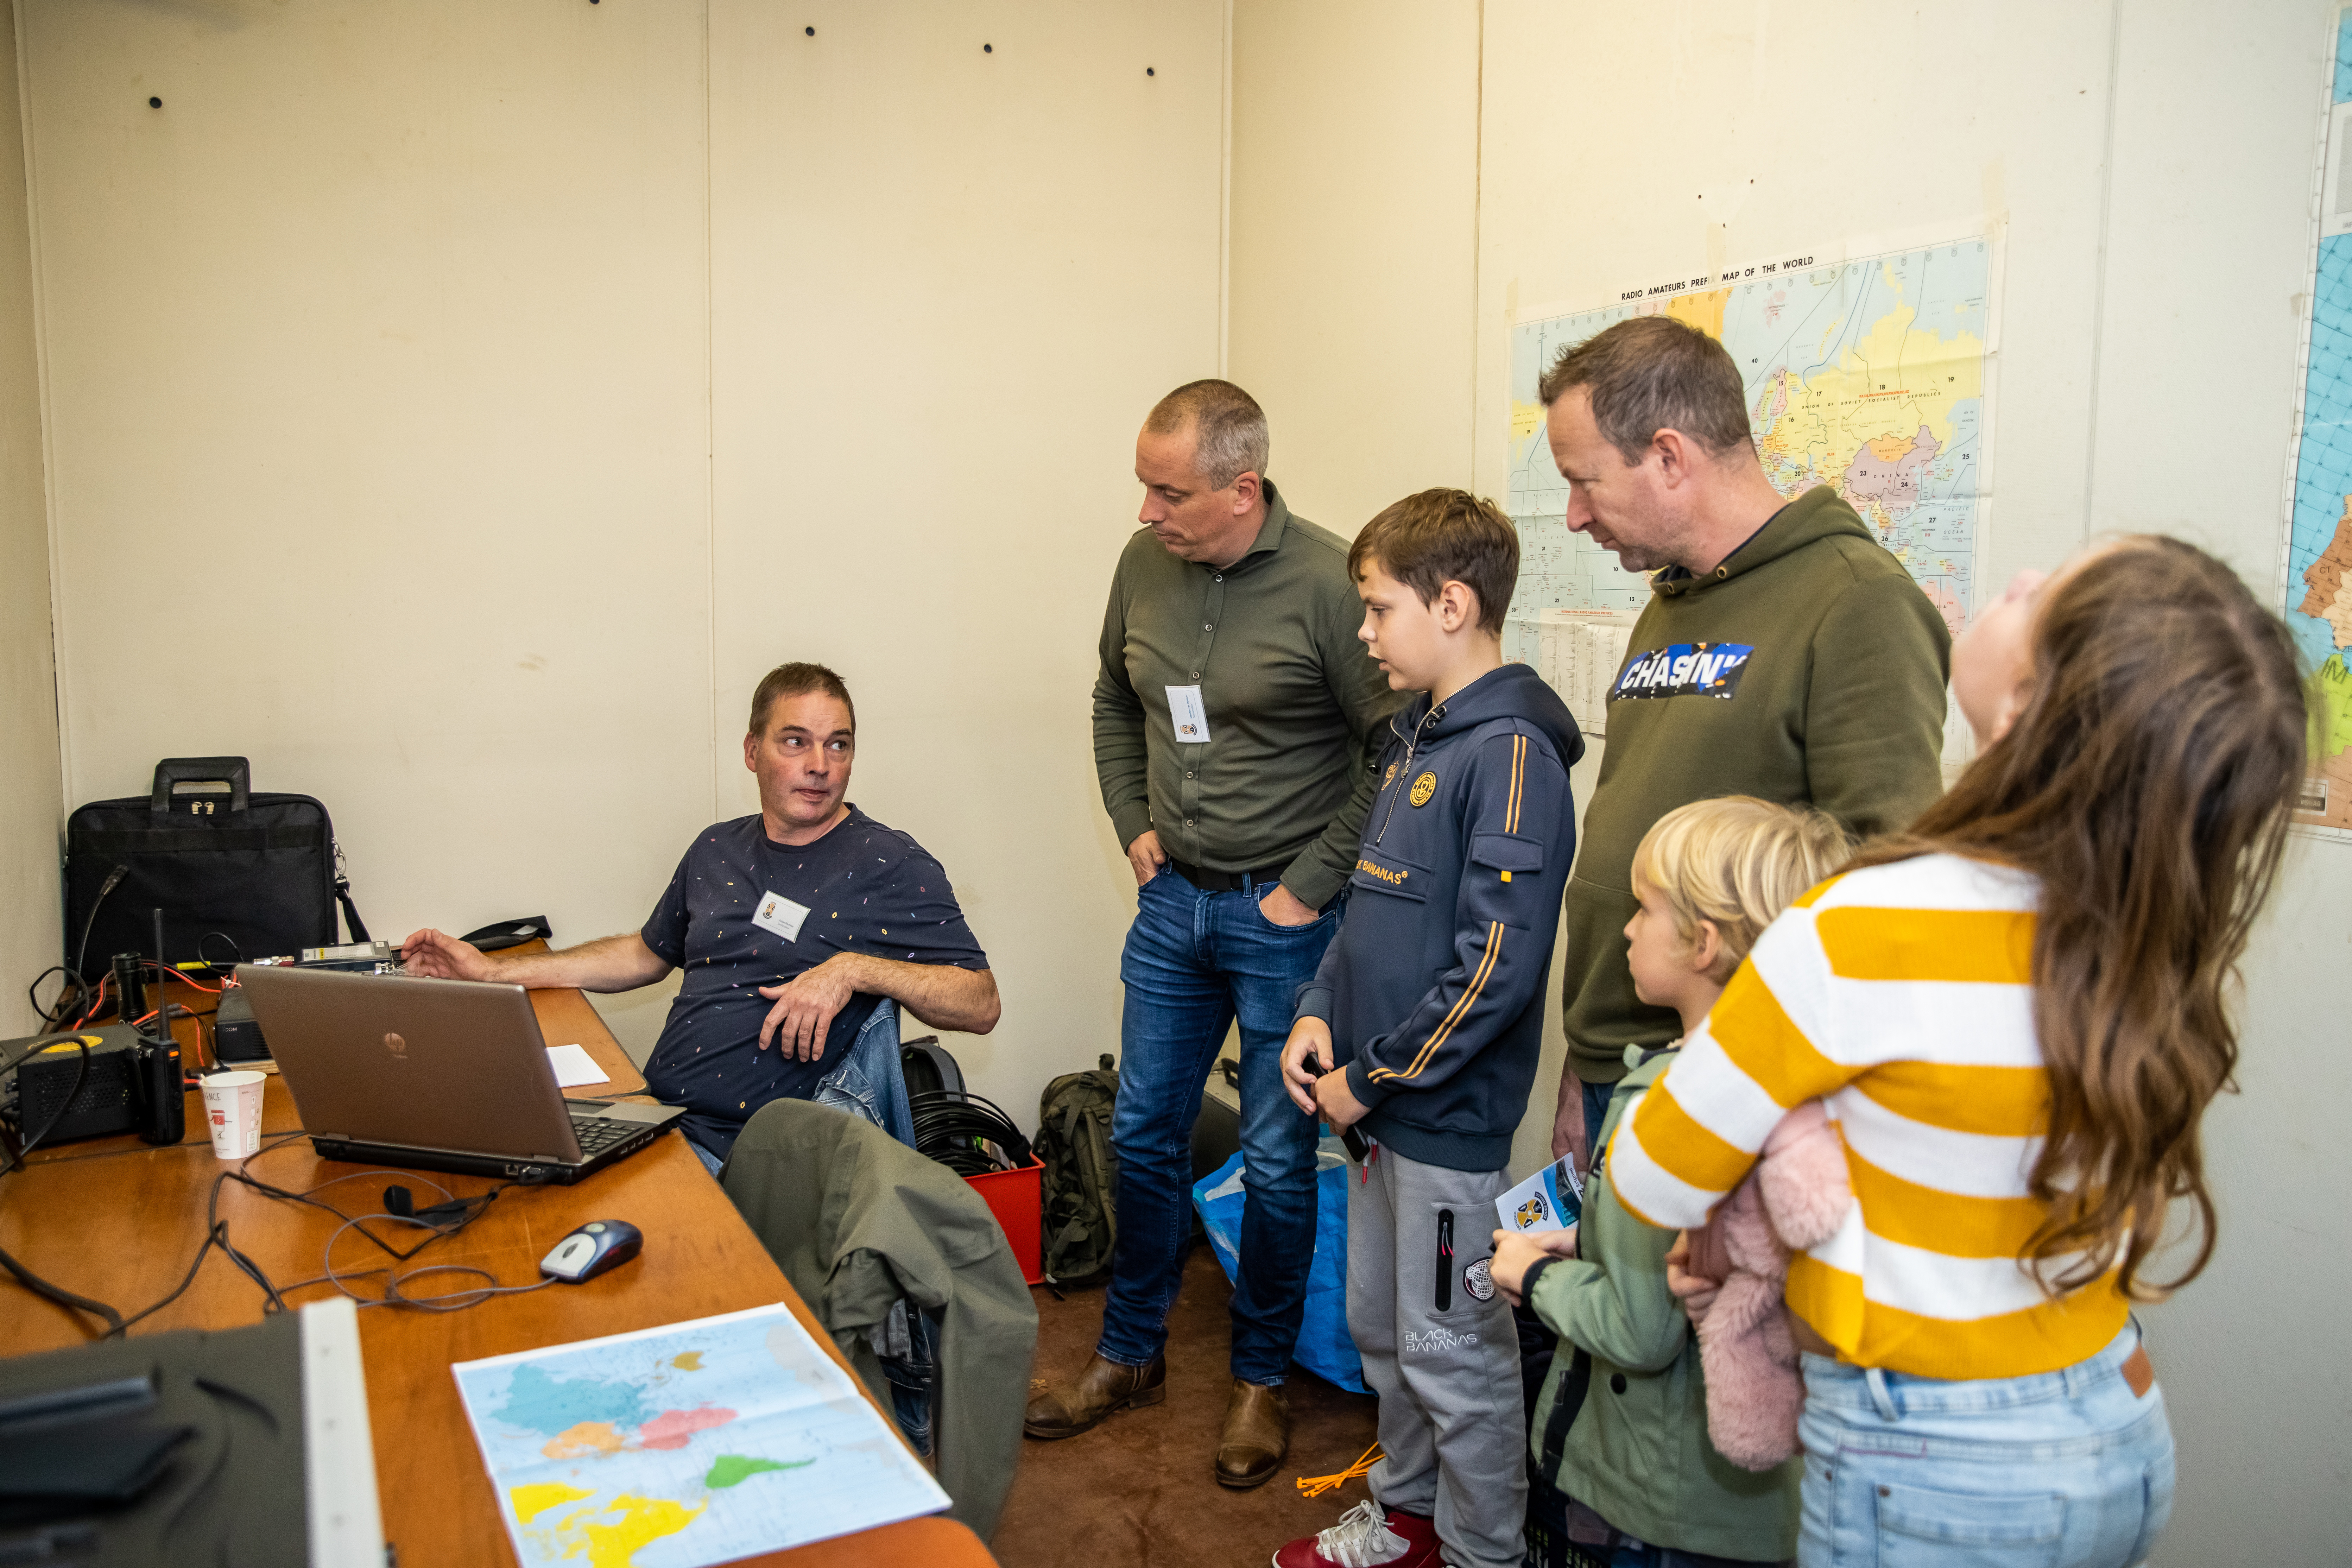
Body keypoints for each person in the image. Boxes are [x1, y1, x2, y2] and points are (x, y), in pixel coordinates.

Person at [1608, 537, 2309, 1567]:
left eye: (2040, 590)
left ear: (2023, 707)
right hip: (2115, 1418)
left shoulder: (1865, 924)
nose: (2016, 577)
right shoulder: (2146, 926)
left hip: (1933, 1463)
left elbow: (1651, 1174)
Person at [1027, 381, 1399, 1487]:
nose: (1147, 512)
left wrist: (1310, 884)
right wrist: (1131, 822)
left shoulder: (1333, 586)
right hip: (1170, 906)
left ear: (1243, 490)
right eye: (1145, 485)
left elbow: (1396, 748)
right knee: (1143, 1132)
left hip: (1283, 920)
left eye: (1169, 490)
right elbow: (1111, 697)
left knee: (1279, 1161)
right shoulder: (1143, 566)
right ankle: (1129, 1352)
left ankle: (1257, 1380)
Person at [1535, 316, 1950, 1171]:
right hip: (1622, 1054)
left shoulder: (1857, 603)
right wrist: (1586, 1056)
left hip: (1730, 1085)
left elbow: (1884, 887)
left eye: (1584, 481)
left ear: (1669, 456)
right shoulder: (1673, 598)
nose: (1575, 516)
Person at [1273, 489, 1582, 1568]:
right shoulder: (1417, 739)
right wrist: (1317, 1016)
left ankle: (1480, 1553)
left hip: (1437, 1122)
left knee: (1456, 1356)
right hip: (1373, 1116)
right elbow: (1365, 911)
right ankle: (1405, 1524)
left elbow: (1493, 965)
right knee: (1386, 1340)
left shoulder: (1508, 756)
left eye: (1377, 607)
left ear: (1450, 604)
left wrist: (1372, 1075)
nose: (1364, 633)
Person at [401, 662, 1000, 1174]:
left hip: (760, 1160)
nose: (820, 764)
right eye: (795, 741)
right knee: (472, 1144)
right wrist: (492, 975)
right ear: (751, 752)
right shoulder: (717, 849)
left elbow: (980, 1004)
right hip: (662, 1120)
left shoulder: (887, 860)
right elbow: (644, 954)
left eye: (837, 744)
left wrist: (852, 971)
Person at [1489, 796, 1851, 1568]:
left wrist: (1538, 1272)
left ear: (1704, 943)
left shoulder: (1679, 1112)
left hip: (1652, 1505)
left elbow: (1640, 1330)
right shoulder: (1802, 1088)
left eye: (1644, 908)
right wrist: (1589, 1237)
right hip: (1757, 1510)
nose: (1625, 927)